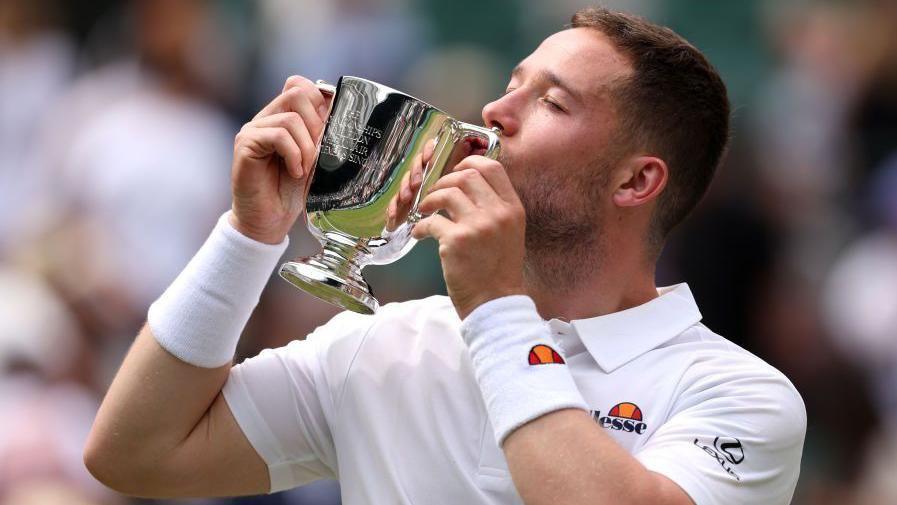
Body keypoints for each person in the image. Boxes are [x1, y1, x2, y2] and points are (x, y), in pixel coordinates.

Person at [84, 7, 806, 505]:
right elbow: (134, 451)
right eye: (510, 86)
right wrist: (249, 235)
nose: (496, 112)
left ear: (636, 179)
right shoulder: (385, 344)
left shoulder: (740, 394)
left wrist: (496, 310)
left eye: (551, 103)